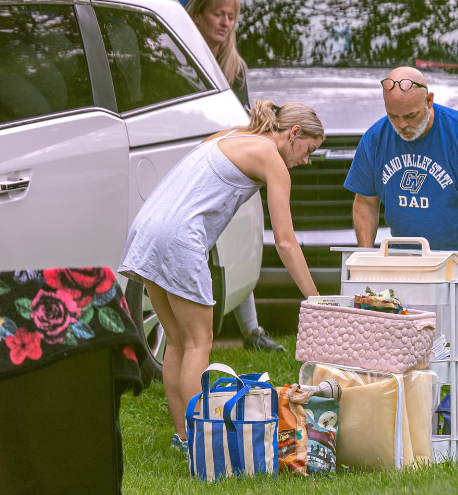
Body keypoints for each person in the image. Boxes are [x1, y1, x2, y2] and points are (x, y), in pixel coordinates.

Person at [119, 101, 323, 450]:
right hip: (180, 237)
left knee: (178, 341)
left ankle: (184, 438)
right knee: (199, 343)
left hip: (147, 228)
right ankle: (203, 443)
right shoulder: (272, 159)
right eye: (309, 150)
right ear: (294, 133)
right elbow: (286, 242)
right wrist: (316, 298)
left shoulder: (233, 134)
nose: (305, 159)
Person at [345, 66, 458, 380]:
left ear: (430, 100)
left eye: (410, 115)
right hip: (414, 267)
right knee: (411, 359)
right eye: (394, 116)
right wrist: (365, 258)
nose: (402, 125)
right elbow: (365, 202)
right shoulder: (376, 139)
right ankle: (421, 426)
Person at [188, 0, 283, 352]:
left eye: (231, 17)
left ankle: (251, 331)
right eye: (218, 14)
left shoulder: (234, 67)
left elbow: (239, 120)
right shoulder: (184, 58)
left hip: (226, 162)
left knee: (236, 240)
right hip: (194, 159)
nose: (225, 23)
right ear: (198, 15)